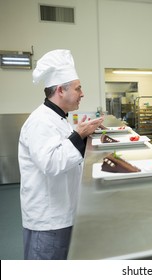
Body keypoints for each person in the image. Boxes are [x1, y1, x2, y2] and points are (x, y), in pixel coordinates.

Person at [18, 49, 104, 260]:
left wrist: (83, 136)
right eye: (78, 88)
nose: (82, 93)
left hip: (63, 213)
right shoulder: (40, 121)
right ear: (60, 90)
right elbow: (52, 163)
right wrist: (79, 135)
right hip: (48, 220)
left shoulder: (59, 118)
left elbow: (67, 154)